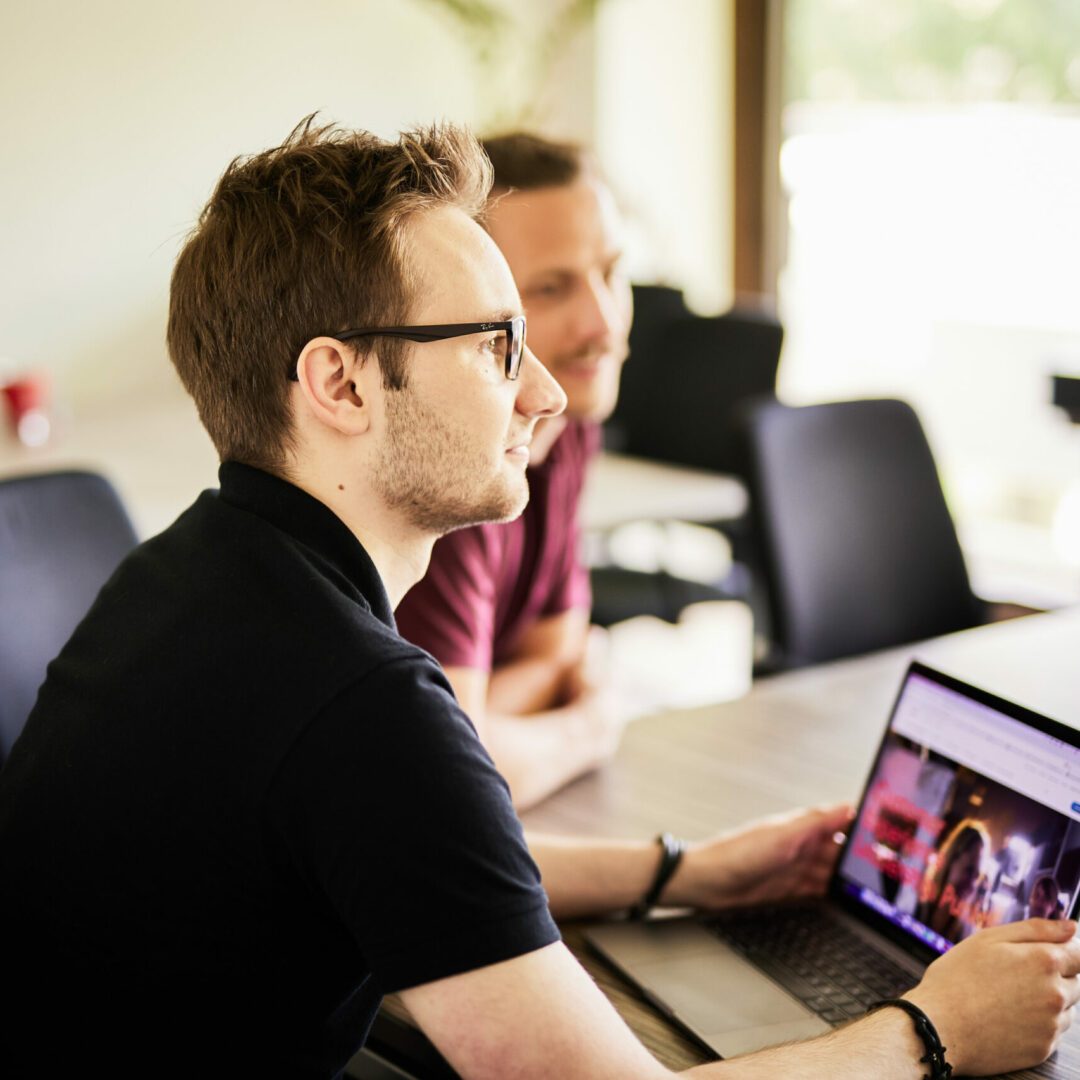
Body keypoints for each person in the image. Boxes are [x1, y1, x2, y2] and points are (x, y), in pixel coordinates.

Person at [1, 119, 1078, 1080]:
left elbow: (408, 855)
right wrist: (933, 1029)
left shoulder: (190, 572)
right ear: (339, 384)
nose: (547, 392)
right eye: (494, 344)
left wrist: (685, 871)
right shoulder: (354, 702)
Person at [395, 132, 631, 808]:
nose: (605, 322)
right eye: (552, 288)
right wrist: (592, 725)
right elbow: (451, 778)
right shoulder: (456, 472)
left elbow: (560, 653)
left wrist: (492, 715)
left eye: (613, 273)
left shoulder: (568, 427)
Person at [915, 819, 991, 942]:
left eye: (977, 876)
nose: (972, 885)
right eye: (969, 870)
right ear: (951, 861)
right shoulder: (916, 902)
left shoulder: (966, 935)